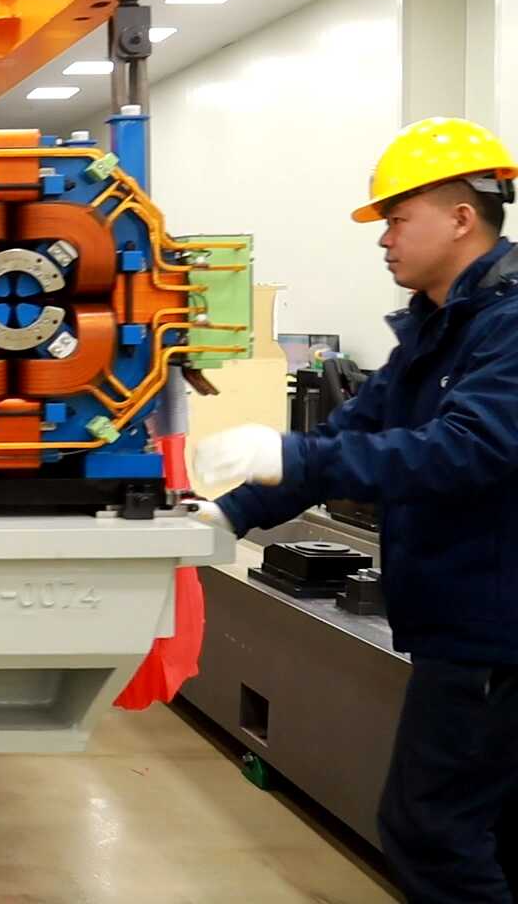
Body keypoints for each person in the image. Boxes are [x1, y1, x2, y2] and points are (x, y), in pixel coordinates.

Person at [191, 117, 518, 903]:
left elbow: (468, 449)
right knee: (481, 835)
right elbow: (347, 435)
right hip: (462, 624)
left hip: (495, 631)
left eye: (398, 219)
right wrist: (227, 514)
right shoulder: (436, 331)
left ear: (462, 218)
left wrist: (291, 456)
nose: (384, 240)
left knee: (431, 834)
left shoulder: (506, 326)